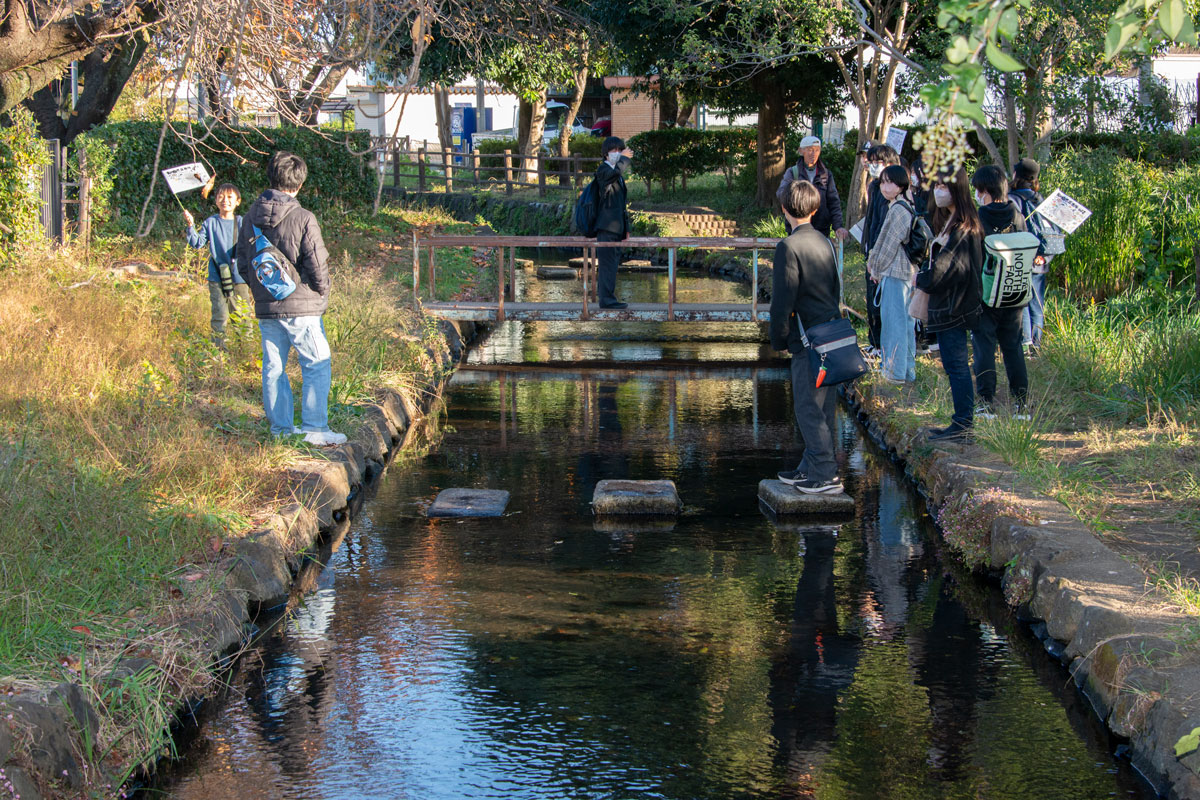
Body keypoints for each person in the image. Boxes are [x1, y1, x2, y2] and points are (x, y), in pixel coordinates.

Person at [237, 151, 346, 446]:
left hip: (267, 306)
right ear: (299, 183)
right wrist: (321, 292)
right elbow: (317, 264)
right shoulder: (303, 217)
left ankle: (281, 431)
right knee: (316, 362)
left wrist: (264, 291)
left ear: (271, 177)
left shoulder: (249, 218)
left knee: (274, 367)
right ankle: (315, 428)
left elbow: (243, 265)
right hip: (302, 305)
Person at [768, 180, 845, 495]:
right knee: (824, 405)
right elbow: (835, 287)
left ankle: (826, 474)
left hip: (806, 337)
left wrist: (780, 340)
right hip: (831, 332)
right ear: (815, 209)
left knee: (807, 408)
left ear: (785, 209)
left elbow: (782, 301)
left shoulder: (788, 246)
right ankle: (808, 467)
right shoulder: (825, 242)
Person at [916, 168, 984, 442]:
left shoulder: (963, 228)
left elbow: (944, 271)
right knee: (954, 365)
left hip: (954, 307)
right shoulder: (953, 222)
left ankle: (963, 425)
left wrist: (920, 278)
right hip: (949, 305)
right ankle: (960, 421)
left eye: (944, 186)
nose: (938, 191)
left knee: (956, 366)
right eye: (937, 185)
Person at [970, 164, 1029, 418]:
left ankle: (985, 402)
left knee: (984, 348)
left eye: (978, 190)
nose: (976, 194)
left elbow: (973, 257)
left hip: (986, 294)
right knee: (1013, 348)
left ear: (985, 190)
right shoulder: (1017, 215)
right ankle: (1021, 404)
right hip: (1014, 293)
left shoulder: (979, 218)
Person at [865, 164, 918, 383]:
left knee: (894, 323)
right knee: (904, 323)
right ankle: (906, 371)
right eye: (883, 182)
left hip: (896, 273)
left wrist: (875, 269)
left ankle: (894, 373)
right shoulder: (901, 206)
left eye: (890, 182)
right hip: (902, 272)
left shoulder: (898, 209)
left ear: (901, 185)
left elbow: (889, 245)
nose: (885, 187)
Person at [184, 183, 249, 348]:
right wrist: (191, 226)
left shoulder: (242, 222)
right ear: (216, 200)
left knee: (241, 315)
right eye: (221, 196)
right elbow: (197, 243)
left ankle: (246, 350)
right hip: (216, 276)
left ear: (238, 202)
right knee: (220, 315)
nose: (225, 200)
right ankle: (219, 351)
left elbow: (252, 245)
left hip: (239, 277)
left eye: (229, 197)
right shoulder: (210, 223)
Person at [861, 144, 902, 355]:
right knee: (872, 301)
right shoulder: (874, 187)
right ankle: (875, 342)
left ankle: (886, 347)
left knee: (885, 303)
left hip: (887, 258)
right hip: (871, 252)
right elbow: (872, 222)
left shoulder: (897, 195)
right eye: (872, 163)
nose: (874, 166)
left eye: (878, 162)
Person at [1009, 158, 1052, 351]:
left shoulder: (1013, 199)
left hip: (1022, 254)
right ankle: (1036, 344)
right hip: (1042, 257)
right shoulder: (1040, 199)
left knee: (1021, 300)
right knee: (1036, 302)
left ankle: (1025, 343)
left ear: (1017, 175)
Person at [776, 135, 849, 242]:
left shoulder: (826, 174)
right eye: (810, 150)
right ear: (801, 151)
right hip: (797, 229)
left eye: (817, 150)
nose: (813, 154)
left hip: (821, 230)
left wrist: (838, 226)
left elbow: (833, 201)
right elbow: (781, 193)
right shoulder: (792, 172)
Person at [594, 136, 633, 309]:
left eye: (620, 150)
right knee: (607, 265)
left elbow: (621, 205)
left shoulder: (616, 174)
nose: (617, 153)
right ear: (605, 153)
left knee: (612, 265)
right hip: (606, 227)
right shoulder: (603, 171)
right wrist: (624, 158)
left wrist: (626, 228)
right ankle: (607, 300)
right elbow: (615, 172)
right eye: (614, 151)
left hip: (616, 227)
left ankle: (608, 298)